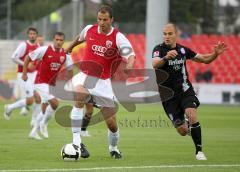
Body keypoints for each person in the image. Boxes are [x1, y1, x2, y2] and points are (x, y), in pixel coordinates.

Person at [65, 5, 135, 159]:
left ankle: (113, 147)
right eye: (99, 19)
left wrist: (129, 66)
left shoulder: (118, 37)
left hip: (103, 83)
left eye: (105, 20)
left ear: (111, 20)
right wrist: (69, 48)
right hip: (85, 76)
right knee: (79, 96)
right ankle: (76, 142)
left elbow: (131, 55)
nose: (101, 23)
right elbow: (79, 38)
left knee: (111, 123)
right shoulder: (89, 29)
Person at [152, 23, 227, 160]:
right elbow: (155, 64)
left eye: (170, 34)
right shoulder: (159, 49)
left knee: (191, 113)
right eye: (165, 34)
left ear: (176, 34)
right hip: (168, 96)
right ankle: (191, 128)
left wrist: (215, 54)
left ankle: (199, 151)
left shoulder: (183, 50)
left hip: (185, 90)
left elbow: (204, 59)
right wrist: (166, 58)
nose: (166, 37)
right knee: (182, 131)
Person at [22, 32, 74, 141]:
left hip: (51, 85)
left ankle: (34, 131)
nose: (58, 42)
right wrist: (24, 73)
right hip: (40, 82)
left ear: (63, 42)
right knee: (55, 103)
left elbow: (70, 69)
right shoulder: (44, 50)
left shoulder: (65, 55)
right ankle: (43, 124)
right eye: (57, 40)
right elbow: (28, 57)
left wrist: (68, 81)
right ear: (53, 40)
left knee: (45, 108)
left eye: (61, 40)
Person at [4, 27, 41, 128]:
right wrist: (25, 64)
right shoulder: (23, 45)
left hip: (33, 75)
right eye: (30, 34)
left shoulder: (38, 45)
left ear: (36, 35)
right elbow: (13, 57)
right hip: (23, 75)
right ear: (28, 35)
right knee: (30, 100)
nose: (32, 35)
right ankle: (9, 107)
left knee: (38, 98)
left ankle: (34, 121)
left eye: (34, 34)